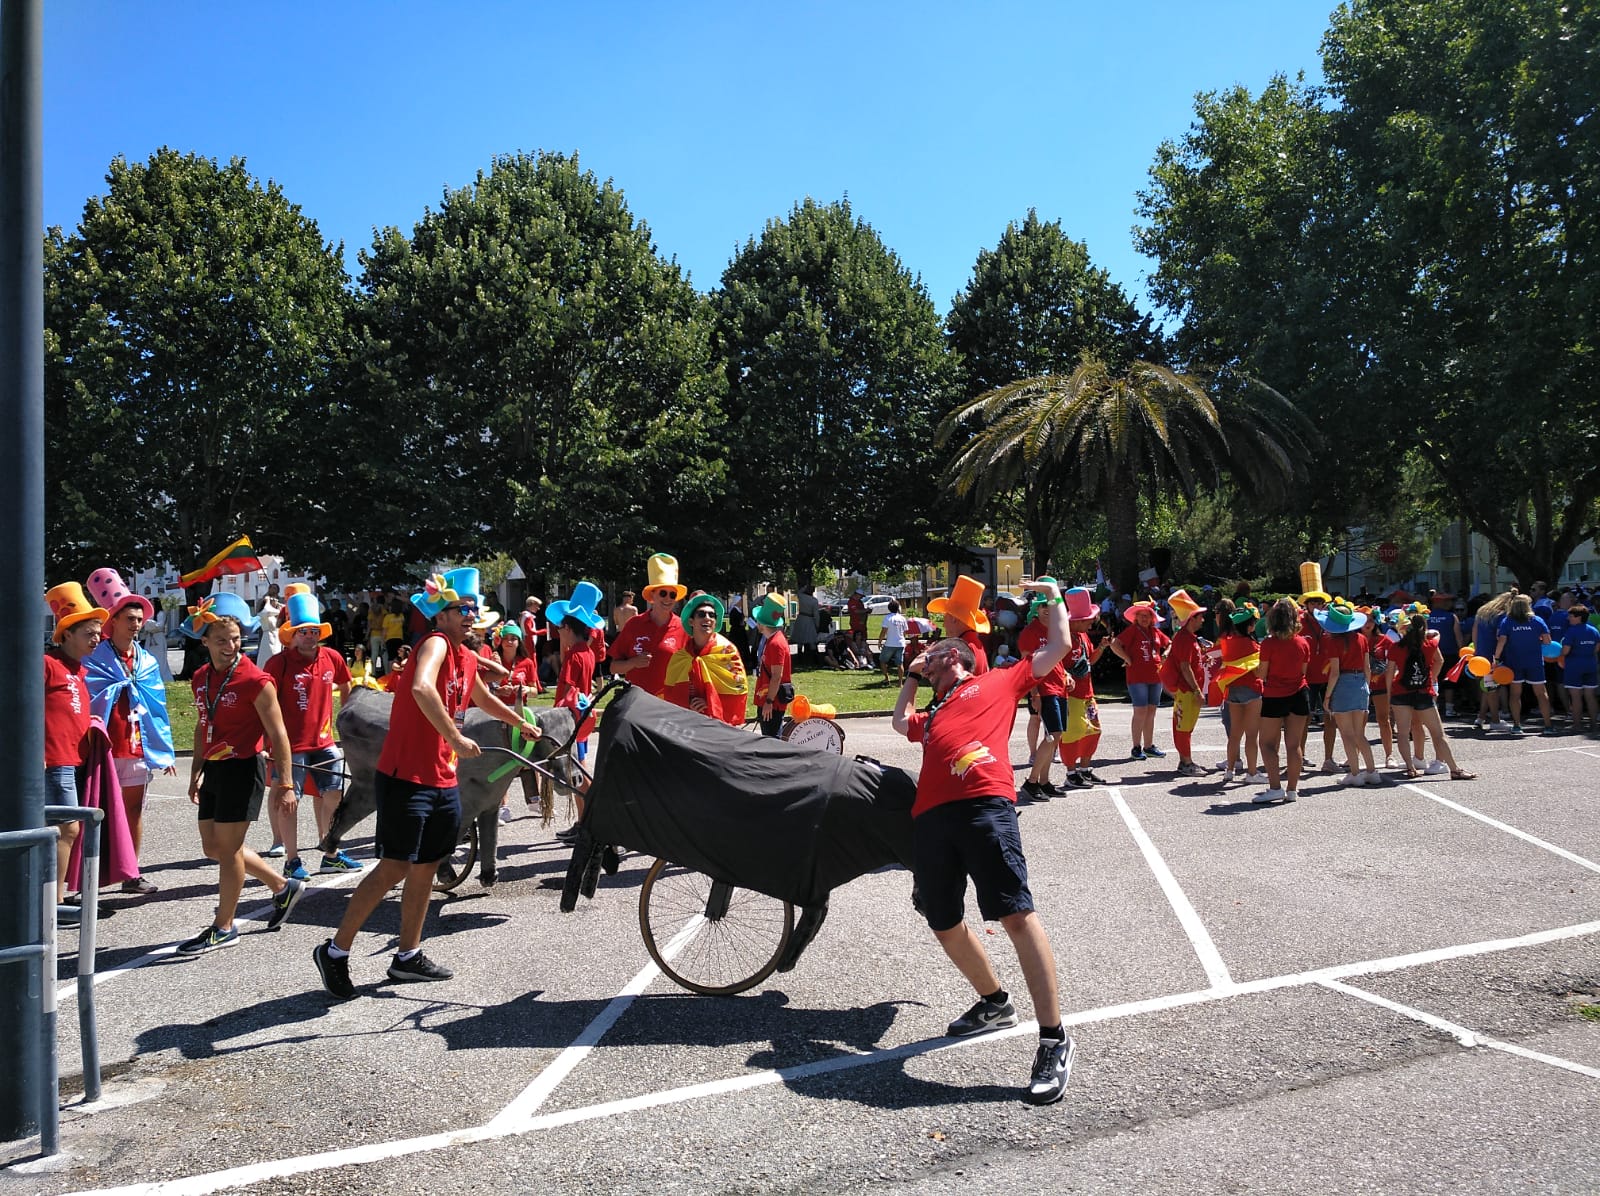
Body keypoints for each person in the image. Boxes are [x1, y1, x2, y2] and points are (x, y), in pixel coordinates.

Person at [890, 577, 1076, 1106]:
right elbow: (901, 719)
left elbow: (1058, 645)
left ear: (963, 657)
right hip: (931, 819)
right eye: (931, 656)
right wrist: (910, 676)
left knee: (1015, 915)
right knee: (943, 922)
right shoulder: (935, 711)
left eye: (943, 651)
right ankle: (994, 1002)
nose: (937, 652)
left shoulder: (998, 681)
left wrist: (1054, 599)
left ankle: (1053, 1038)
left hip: (985, 806)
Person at [313, 568, 540, 998]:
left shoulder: (466, 655)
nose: (472, 615)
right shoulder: (435, 643)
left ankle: (407, 956)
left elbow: (482, 698)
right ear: (442, 614)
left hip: (442, 777)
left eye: (474, 608)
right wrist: (455, 736)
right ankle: (335, 951)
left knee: (427, 868)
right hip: (406, 778)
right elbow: (420, 687)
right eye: (463, 609)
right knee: (394, 868)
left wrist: (518, 722)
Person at [181, 593, 306, 954]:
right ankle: (283, 887)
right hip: (215, 769)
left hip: (243, 768)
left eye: (235, 639)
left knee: (230, 847)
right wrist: (196, 772)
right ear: (204, 641)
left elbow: (279, 733)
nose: (230, 646)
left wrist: (284, 782)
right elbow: (203, 726)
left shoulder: (256, 679)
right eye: (221, 640)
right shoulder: (201, 677)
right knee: (213, 847)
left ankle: (224, 925)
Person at [83, 568, 176, 894]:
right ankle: (89, 877)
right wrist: (118, 687)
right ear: (114, 621)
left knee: (133, 811)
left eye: (139, 618)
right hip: (107, 747)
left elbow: (157, 707)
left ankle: (130, 874)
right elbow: (89, 695)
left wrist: (164, 749)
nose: (136, 624)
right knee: (99, 813)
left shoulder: (147, 660)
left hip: (137, 745)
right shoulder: (95, 656)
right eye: (130, 618)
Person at [264, 587, 358, 879]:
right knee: (289, 800)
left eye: (314, 631)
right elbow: (265, 702)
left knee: (334, 793)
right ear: (291, 634)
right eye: (303, 631)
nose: (309, 636)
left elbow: (346, 684)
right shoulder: (278, 663)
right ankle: (292, 859)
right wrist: (268, 741)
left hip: (324, 741)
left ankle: (330, 852)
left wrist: (346, 713)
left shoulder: (331, 657)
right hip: (290, 745)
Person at [44, 582, 107, 912]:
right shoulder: (47, 664)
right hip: (54, 762)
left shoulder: (78, 670)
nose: (96, 638)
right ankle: (54, 903)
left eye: (98, 632)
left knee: (63, 830)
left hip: (72, 761)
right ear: (66, 633)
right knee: (66, 828)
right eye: (89, 632)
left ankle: (53, 899)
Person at [1387, 606, 1474, 779]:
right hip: (1423, 691)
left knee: (1403, 733)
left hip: (1400, 692)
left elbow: (1389, 674)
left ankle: (1411, 768)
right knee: (1438, 733)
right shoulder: (1429, 644)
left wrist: (1390, 696)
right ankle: (1454, 769)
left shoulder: (1396, 647)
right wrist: (1432, 678)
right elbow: (1439, 661)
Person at [1252, 599, 1310, 805]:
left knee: (1267, 744)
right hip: (1299, 693)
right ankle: (1292, 790)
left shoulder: (1268, 643)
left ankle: (1275, 788)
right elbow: (1303, 671)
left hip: (1275, 695)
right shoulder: (1303, 642)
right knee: (1294, 745)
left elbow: (1263, 673)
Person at [1016, 580, 1069, 799]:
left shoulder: (1054, 631)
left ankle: (1044, 781)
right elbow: (1026, 665)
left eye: (1050, 605)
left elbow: (1058, 658)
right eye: (1043, 605)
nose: (1047, 609)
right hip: (1044, 690)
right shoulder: (1030, 632)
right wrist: (1034, 693)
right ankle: (1032, 781)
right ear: (1036, 609)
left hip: (1059, 687)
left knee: (1055, 737)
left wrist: (1067, 674)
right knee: (1052, 735)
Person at [609, 553, 689, 698]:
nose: (668, 599)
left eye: (672, 595)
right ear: (652, 596)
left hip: (671, 705)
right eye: (663, 593)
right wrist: (633, 662)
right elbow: (614, 667)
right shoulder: (634, 624)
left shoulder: (683, 628)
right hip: (637, 703)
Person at [663, 593, 750, 726]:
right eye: (701, 614)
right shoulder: (679, 657)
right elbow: (670, 695)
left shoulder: (727, 652)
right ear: (691, 621)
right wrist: (688, 705)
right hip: (688, 724)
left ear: (716, 622)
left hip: (718, 726)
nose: (707, 618)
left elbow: (738, 690)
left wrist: (709, 703)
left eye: (712, 615)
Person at [1317, 600, 1379, 786]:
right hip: (1360, 683)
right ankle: (1372, 771)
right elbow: (1367, 667)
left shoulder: (1333, 641)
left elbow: (1334, 672)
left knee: (1346, 734)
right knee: (1359, 734)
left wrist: (1327, 697)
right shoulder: (1361, 639)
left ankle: (1355, 773)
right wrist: (1365, 687)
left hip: (1343, 684)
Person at [1110, 599, 1168, 760]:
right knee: (1140, 710)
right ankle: (1136, 747)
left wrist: (1166, 653)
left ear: (1152, 618)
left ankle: (1149, 746)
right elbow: (1114, 643)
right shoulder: (1133, 631)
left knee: (1151, 711)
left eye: (1147, 616)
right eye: (1141, 615)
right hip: (1137, 677)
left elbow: (1169, 643)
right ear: (1136, 618)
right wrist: (1127, 658)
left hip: (1156, 676)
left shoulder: (1155, 632)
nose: (1144, 618)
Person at [1160, 589, 1208, 777]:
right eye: (1200, 617)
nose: (1203, 620)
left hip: (1187, 690)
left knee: (1185, 726)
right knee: (1183, 727)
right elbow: (1185, 667)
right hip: (1187, 691)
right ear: (1192, 618)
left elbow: (1190, 663)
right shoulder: (1184, 639)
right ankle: (1186, 763)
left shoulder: (1188, 638)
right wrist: (1197, 690)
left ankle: (1185, 760)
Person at [1493, 594, 1555, 736]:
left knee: (1515, 694)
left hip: (1514, 662)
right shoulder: (1537, 620)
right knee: (1541, 693)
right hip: (1534, 662)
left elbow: (1501, 641)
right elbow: (1547, 641)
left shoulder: (1507, 621)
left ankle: (1517, 725)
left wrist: (1496, 660)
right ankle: (1548, 725)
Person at [1216, 603, 1264, 783]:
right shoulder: (1253, 646)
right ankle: (1251, 773)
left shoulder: (1226, 642)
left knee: (1235, 734)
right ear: (1250, 626)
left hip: (1232, 690)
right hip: (1251, 691)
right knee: (1252, 735)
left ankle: (1229, 770)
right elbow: (1258, 672)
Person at [1298, 588, 1340, 772]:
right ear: (1306, 605)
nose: (1315, 606)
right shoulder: (1298, 623)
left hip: (1329, 677)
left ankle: (1328, 759)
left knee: (1331, 718)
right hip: (1306, 678)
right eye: (1312, 602)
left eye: (1318, 602)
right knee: (1303, 720)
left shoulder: (1330, 622)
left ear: (1324, 604)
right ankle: (1300, 756)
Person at [748, 592, 793, 736]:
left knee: (772, 740)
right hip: (768, 700)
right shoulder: (771, 640)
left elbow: (776, 676)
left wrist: (768, 701)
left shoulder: (776, 643)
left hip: (772, 703)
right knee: (769, 738)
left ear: (761, 623)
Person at [928, 575, 990, 675]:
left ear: (954, 618)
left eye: (945, 618)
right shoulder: (973, 643)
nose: (943, 625)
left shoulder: (962, 649)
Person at [1559, 605, 1599, 730]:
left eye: (1571, 616)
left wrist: (1559, 656)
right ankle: (1593, 723)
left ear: (1579, 617)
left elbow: (1565, 651)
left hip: (1574, 666)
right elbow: (1596, 649)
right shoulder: (1594, 630)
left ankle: (1577, 725)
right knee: (1590, 695)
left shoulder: (1571, 631)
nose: (1568, 618)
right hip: (1590, 664)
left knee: (1575, 696)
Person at [1427, 594, 1464, 718]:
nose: (1449, 603)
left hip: (1430, 654)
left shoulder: (1426, 617)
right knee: (1449, 681)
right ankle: (1449, 708)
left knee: (1432, 680)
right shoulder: (1451, 617)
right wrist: (1462, 653)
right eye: (1446, 601)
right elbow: (1458, 636)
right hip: (1450, 653)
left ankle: (1432, 707)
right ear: (1438, 602)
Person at [879, 599, 909, 684]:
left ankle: (887, 678)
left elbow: (883, 631)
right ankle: (900, 683)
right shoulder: (902, 618)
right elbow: (905, 631)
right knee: (900, 664)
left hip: (890, 643)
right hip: (900, 643)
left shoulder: (887, 618)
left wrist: (880, 641)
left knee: (882, 661)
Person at [254, 585, 284, 666]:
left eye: (274, 588)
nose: (275, 601)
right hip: (268, 639)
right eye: (270, 588)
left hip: (278, 639)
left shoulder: (280, 603)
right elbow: (266, 611)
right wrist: (267, 601)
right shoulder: (264, 610)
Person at [793, 586, 821, 665]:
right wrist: (817, 624)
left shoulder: (801, 597)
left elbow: (799, 592)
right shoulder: (814, 601)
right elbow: (816, 614)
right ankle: (814, 658)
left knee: (800, 639)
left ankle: (799, 656)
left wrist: (804, 586)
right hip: (809, 619)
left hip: (801, 618)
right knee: (811, 639)